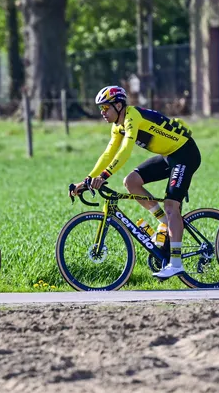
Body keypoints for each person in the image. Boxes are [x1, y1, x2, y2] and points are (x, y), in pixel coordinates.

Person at [78, 86, 201, 279]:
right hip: (169, 155)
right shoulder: (117, 126)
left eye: (106, 108)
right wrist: (87, 179)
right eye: (101, 108)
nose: (103, 112)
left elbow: (125, 150)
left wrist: (104, 175)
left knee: (171, 205)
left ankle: (176, 263)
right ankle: (166, 223)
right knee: (131, 182)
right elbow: (108, 154)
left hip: (185, 154)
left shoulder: (132, 117)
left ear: (119, 106)